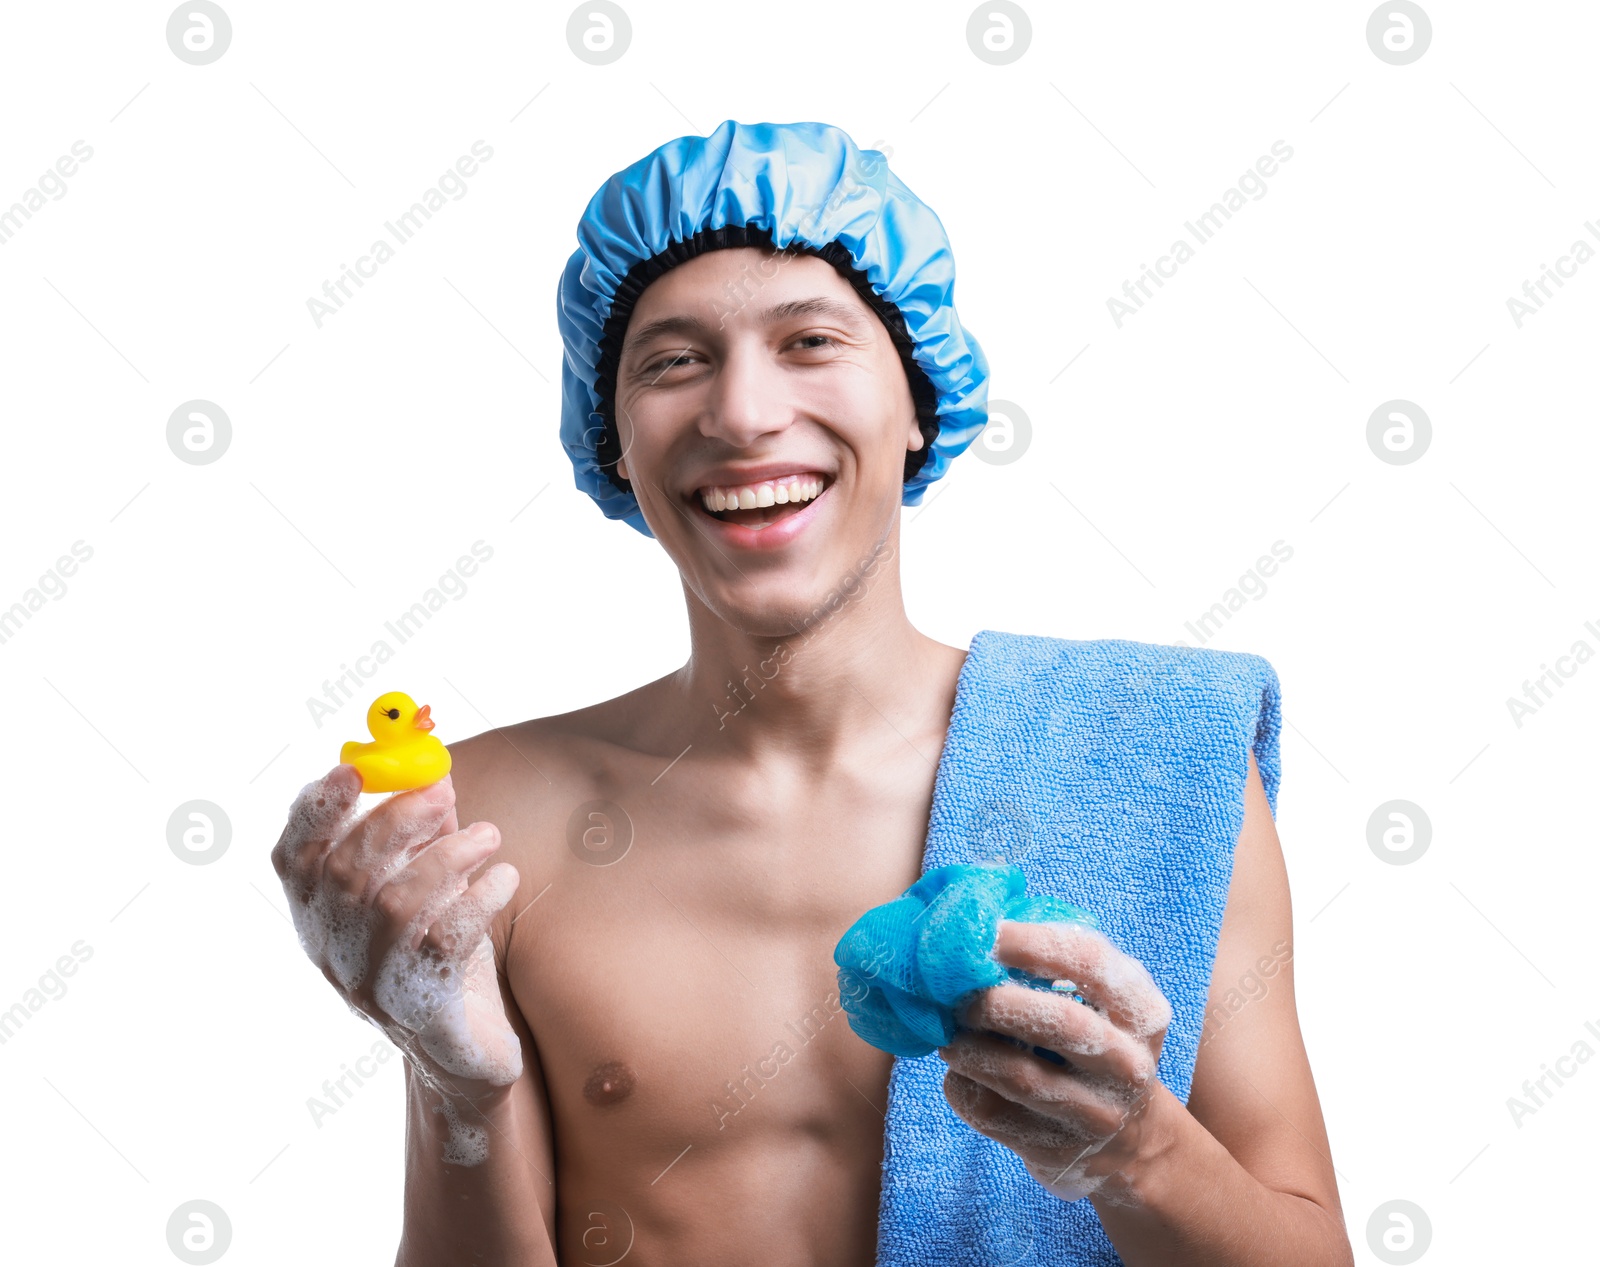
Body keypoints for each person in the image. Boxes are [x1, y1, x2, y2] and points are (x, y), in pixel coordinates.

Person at [272, 120, 1353, 1266]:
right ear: (613, 443)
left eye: (809, 341)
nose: (741, 414)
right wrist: (456, 1087)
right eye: (674, 360)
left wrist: (1138, 1154)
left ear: (920, 404)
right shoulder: (493, 820)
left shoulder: (1154, 761)